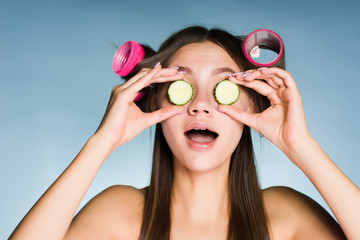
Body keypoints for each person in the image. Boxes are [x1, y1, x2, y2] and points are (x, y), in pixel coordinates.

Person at [10, 26, 359, 240]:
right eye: (182, 87)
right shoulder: (120, 213)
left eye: (223, 88)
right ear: (153, 105)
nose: (201, 106)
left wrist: (302, 146)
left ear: (253, 108)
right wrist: (101, 143)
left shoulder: (286, 215)